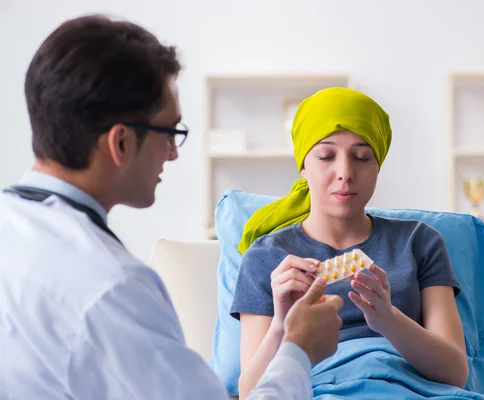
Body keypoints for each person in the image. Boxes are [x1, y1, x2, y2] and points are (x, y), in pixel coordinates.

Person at [0, 14, 344, 399]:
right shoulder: (112, 288)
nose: (173, 154)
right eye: (171, 132)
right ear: (122, 143)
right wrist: (297, 349)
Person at [231, 87, 470, 399]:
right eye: (326, 156)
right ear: (303, 165)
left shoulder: (420, 242)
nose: (344, 173)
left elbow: (456, 373)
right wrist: (283, 325)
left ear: (378, 165)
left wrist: (388, 320)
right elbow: (251, 392)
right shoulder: (267, 258)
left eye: (361, 157)